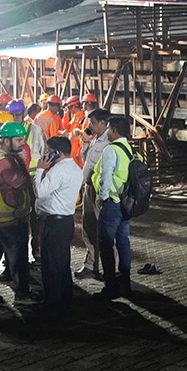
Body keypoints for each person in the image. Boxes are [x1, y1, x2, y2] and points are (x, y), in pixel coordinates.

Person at [0, 121, 36, 308]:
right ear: (5, 140)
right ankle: (22, 294)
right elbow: (23, 183)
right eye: (19, 140)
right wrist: (22, 161)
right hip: (11, 218)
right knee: (19, 259)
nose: (22, 143)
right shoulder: (5, 162)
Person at [33, 135, 82, 317]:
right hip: (66, 221)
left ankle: (52, 303)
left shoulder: (58, 170)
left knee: (51, 264)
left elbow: (40, 191)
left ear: (57, 153)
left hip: (54, 222)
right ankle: (64, 298)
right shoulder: (75, 168)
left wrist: (40, 170)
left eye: (48, 151)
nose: (45, 155)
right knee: (62, 263)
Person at [92, 114, 135, 300]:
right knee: (123, 242)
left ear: (114, 131)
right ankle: (125, 282)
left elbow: (105, 177)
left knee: (106, 245)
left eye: (109, 129)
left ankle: (110, 286)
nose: (107, 132)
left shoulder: (111, 150)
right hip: (126, 204)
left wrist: (102, 198)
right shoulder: (131, 150)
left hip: (112, 203)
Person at [77, 108, 110, 278]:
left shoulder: (109, 141)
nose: (89, 126)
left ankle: (112, 271)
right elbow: (86, 160)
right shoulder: (96, 140)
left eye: (92, 122)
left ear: (102, 123)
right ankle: (91, 266)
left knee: (104, 230)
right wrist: (84, 142)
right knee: (88, 227)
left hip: (100, 190)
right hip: (89, 187)